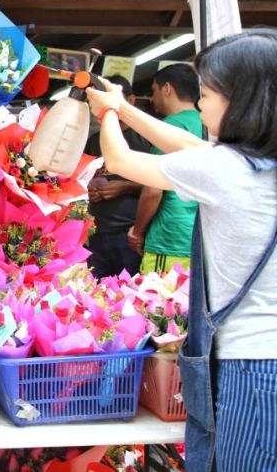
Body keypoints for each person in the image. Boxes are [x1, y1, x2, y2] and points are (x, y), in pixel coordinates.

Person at [85, 28, 277, 472]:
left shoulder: (227, 169)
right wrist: (125, 108)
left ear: (243, 99)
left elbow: (120, 162)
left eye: (209, 93)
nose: (202, 103)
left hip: (253, 366)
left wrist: (109, 115)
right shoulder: (250, 161)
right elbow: (192, 147)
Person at [129, 64, 202, 273]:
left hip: (170, 236)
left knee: (159, 302)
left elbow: (153, 189)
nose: (152, 98)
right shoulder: (207, 124)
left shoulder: (169, 126)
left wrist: (137, 232)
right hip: (200, 233)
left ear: (167, 89)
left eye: (153, 91)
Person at [84, 75, 151, 277]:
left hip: (130, 233)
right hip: (97, 232)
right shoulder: (94, 141)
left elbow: (161, 187)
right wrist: (91, 190)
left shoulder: (145, 139)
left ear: (130, 101)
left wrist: (126, 187)